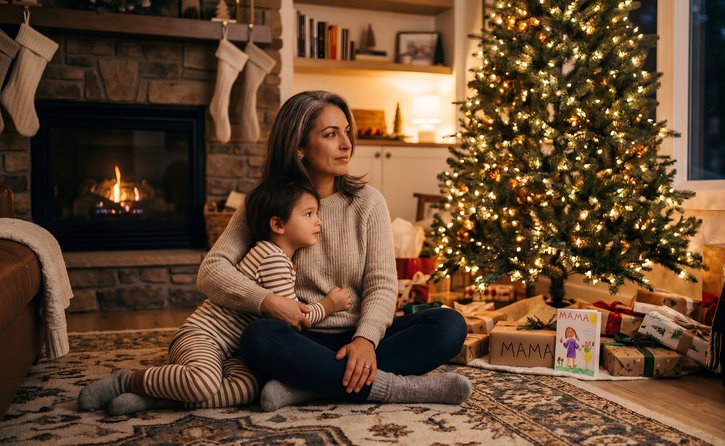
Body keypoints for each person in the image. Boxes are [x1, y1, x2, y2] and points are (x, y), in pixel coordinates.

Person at [197, 90, 470, 412]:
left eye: (347, 132)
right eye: (330, 134)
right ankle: (390, 387)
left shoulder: (368, 202)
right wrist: (268, 302)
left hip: (357, 336)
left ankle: (305, 388)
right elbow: (211, 270)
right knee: (258, 337)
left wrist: (366, 339)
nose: (346, 144)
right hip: (298, 339)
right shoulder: (267, 201)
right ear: (299, 147)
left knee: (450, 325)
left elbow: (382, 284)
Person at [77, 178, 352, 415]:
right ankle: (127, 381)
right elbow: (297, 319)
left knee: (247, 389)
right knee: (203, 383)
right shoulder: (273, 259)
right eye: (308, 214)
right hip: (202, 336)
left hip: (232, 350)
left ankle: (157, 398)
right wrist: (329, 305)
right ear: (278, 224)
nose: (318, 221)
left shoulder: (278, 257)